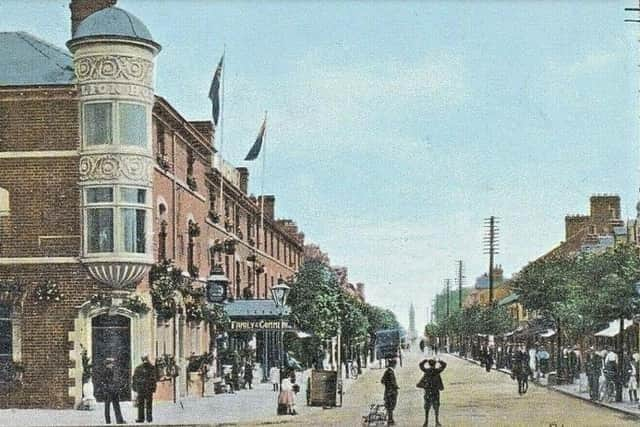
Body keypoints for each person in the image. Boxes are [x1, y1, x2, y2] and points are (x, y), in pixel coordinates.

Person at [417, 358, 446, 427]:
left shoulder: (427, 371)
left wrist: (425, 360)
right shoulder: (437, 371)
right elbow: (444, 365)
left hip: (428, 391)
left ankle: (426, 422)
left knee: (427, 407)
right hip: (435, 391)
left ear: (429, 364)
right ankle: (436, 421)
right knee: (436, 407)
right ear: (435, 364)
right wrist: (439, 360)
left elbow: (420, 365)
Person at [132, 354, 158, 423]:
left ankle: (141, 418)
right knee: (149, 404)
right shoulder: (151, 367)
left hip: (141, 389)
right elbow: (154, 379)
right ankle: (149, 418)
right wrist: (153, 388)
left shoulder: (138, 368)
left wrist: (134, 387)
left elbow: (134, 379)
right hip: (148, 389)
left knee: (141, 404)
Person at [99, 358, 125, 425]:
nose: (112, 365)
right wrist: (107, 388)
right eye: (111, 363)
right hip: (108, 391)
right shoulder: (105, 371)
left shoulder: (112, 370)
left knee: (116, 405)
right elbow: (104, 382)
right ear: (108, 364)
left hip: (113, 390)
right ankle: (109, 421)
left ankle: (119, 420)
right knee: (108, 406)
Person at [381, 358, 399, 425]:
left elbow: (382, 381)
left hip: (388, 391)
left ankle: (390, 420)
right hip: (391, 392)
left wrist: (386, 385)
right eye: (395, 364)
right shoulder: (390, 372)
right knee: (391, 407)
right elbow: (392, 382)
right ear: (393, 364)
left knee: (389, 407)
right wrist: (395, 387)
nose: (395, 366)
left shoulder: (387, 371)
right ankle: (390, 420)